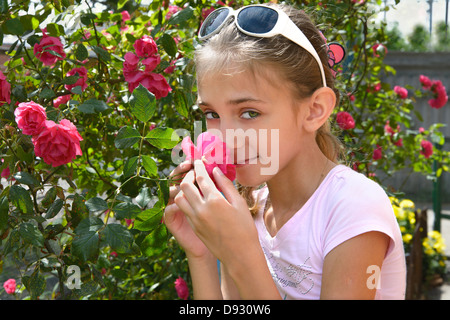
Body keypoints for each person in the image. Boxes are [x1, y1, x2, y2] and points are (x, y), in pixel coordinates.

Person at [163, 3, 406, 300]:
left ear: (314, 111)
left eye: (249, 113)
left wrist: (241, 253)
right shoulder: (251, 203)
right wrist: (201, 251)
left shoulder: (351, 207)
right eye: (212, 113)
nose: (225, 137)